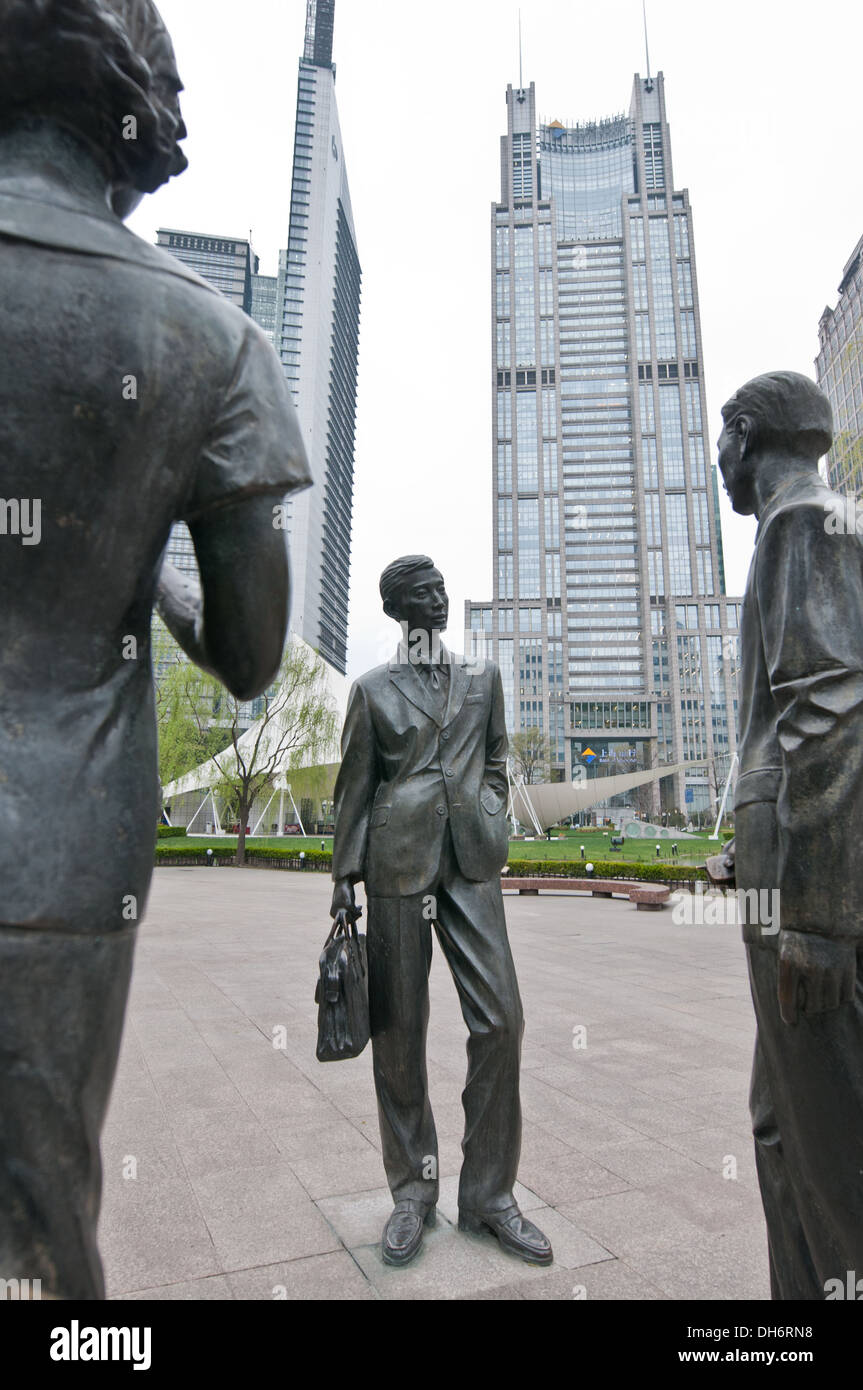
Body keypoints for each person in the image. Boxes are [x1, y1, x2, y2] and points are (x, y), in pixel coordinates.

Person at [0, 0, 310, 1299]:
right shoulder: (213, 337)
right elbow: (250, 656)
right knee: (36, 1210)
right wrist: (161, 565)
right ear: (144, 119)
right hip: (63, 850)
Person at [330, 557, 552, 1268]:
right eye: (424, 593)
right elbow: (353, 790)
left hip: (471, 864)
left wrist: (490, 805)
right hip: (397, 863)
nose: (440, 599)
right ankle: (411, 1192)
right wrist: (343, 876)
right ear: (401, 609)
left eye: (441, 588)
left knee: (501, 1020)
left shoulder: (483, 680)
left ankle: (488, 1197)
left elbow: (496, 757)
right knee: (399, 1029)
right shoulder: (371, 691)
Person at [718, 370, 863, 1299]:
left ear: (742, 435)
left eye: (719, 442)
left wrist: (814, 915)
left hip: (801, 898)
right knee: (779, 1130)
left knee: (832, 1147)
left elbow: (830, 710)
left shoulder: (799, 522)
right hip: (775, 871)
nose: (718, 463)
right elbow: (779, 728)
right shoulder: (816, 523)